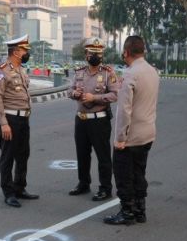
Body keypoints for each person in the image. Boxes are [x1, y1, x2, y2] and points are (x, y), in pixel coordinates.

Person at [104, 35, 159, 225]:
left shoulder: (130, 74)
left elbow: (124, 110)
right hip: (147, 133)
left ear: (126, 52)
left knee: (123, 174)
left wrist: (120, 137)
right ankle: (140, 210)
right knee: (139, 172)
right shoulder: (153, 71)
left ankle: (127, 211)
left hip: (131, 136)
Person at [67, 37, 119, 201]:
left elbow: (114, 95)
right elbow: (69, 89)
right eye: (91, 53)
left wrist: (94, 98)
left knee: (103, 155)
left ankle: (105, 187)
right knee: (82, 154)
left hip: (99, 120)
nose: (95, 55)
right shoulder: (79, 72)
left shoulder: (108, 73)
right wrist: (74, 93)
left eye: (98, 53)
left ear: (102, 55)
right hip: (81, 119)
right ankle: (83, 183)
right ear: (86, 54)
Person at [0, 34, 39, 208]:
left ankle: (20, 188)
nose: (27, 53)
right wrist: (3, 123)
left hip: (23, 119)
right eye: (25, 50)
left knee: (23, 155)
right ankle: (8, 192)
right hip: (10, 119)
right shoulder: (2, 70)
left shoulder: (20, 69)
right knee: (8, 157)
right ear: (17, 52)